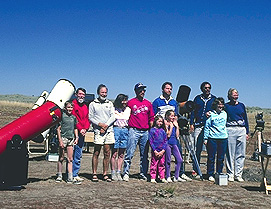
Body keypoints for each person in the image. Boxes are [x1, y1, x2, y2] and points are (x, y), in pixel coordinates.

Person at [153, 81, 191, 181]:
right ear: (163, 89)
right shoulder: (157, 101)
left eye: (170, 89)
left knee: (178, 153)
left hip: (173, 132)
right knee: (164, 156)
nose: (169, 90)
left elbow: (176, 116)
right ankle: (162, 174)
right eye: (167, 88)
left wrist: (175, 126)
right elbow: (153, 117)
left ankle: (179, 174)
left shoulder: (174, 102)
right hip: (162, 132)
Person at [123, 83, 155, 182]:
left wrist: (151, 129)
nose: (142, 92)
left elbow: (151, 118)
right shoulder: (131, 102)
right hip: (133, 130)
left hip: (145, 131)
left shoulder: (148, 103)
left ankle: (143, 173)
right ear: (136, 91)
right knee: (130, 152)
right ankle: (126, 173)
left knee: (144, 154)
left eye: (144, 90)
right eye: (140, 90)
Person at [89, 84, 115, 182]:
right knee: (96, 152)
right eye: (102, 92)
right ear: (98, 93)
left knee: (107, 152)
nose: (104, 94)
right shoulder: (93, 104)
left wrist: (106, 126)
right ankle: (94, 173)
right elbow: (91, 117)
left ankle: (105, 174)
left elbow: (113, 116)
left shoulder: (110, 103)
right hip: (98, 131)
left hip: (108, 131)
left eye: (105, 92)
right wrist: (100, 125)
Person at [190, 81, 216, 177]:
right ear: (202, 89)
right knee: (197, 148)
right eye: (205, 88)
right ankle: (195, 168)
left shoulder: (214, 99)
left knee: (210, 149)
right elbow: (193, 111)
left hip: (209, 127)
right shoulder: (197, 99)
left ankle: (210, 172)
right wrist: (191, 123)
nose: (207, 89)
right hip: (198, 125)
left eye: (209, 87)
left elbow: (216, 111)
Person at [225, 88, 249, 182]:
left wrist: (247, 131)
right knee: (230, 153)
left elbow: (245, 118)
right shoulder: (226, 106)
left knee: (241, 153)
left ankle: (238, 174)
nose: (235, 96)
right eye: (233, 94)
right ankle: (230, 174)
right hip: (230, 129)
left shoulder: (241, 105)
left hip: (241, 129)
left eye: (236, 94)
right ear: (229, 96)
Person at [203, 97, 228, 182]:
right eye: (219, 104)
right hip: (212, 138)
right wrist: (205, 138)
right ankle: (210, 173)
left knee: (221, 158)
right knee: (211, 157)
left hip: (223, 138)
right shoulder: (211, 114)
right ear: (216, 105)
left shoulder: (225, 114)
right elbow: (207, 126)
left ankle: (219, 172)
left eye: (222, 104)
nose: (220, 106)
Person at [56, 101, 79, 184]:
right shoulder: (62, 116)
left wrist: (76, 137)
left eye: (71, 107)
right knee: (61, 157)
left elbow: (75, 128)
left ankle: (70, 177)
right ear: (65, 108)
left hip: (71, 139)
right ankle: (59, 175)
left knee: (70, 159)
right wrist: (60, 140)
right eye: (68, 107)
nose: (70, 109)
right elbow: (58, 129)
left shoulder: (73, 117)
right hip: (63, 138)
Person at [111, 94, 131, 181]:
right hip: (116, 129)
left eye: (126, 100)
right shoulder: (113, 109)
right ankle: (113, 172)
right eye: (123, 100)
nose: (125, 102)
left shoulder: (128, 110)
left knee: (121, 153)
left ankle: (119, 171)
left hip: (125, 130)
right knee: (114, 153)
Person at [72, 88, 90, 183]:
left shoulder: (85, 106)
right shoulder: (73, 105)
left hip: (82, 133)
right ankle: (70, 174)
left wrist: (85, 129)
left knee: (78, 154)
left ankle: (75, 173)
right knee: (71, 154)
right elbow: (74, 118)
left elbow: (87, 119)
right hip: (74, 132)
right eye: (80, 94)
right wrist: (80, 129)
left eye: (83, 94)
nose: (81, 96)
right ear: (76, 94)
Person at [164, 110, 184, 182]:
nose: (173, 117)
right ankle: (168, 176)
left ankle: (176, 176)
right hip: (167, 143)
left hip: (174, 143)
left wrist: (177, 127)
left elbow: (177, 135)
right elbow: (168, 135)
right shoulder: (165, 123)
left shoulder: (174, 123)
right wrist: (171, 127)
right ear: (167, 116)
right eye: (171, 116)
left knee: (179, 160)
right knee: (168, 160)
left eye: (174, 116)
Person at [149, 115, 168, 183]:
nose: (160, 123)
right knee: (154, 164)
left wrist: (163, 150)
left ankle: (162, 177)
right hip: (155, 150)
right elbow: (150, 141)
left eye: (161, 122)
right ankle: (153, 177)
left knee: (162, 164)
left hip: (162, 150)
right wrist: (155, 151)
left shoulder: (163, 131)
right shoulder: (152, 130)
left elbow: (165, 141)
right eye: (159, 121)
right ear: (155, 121)